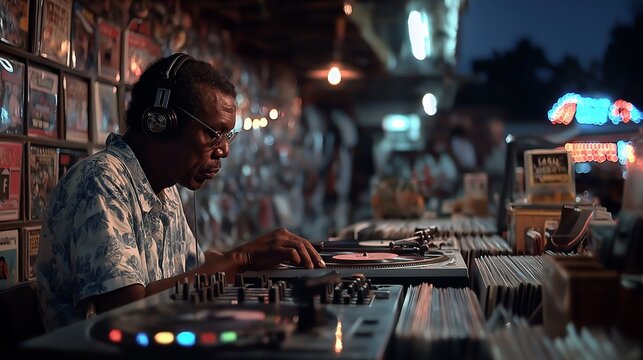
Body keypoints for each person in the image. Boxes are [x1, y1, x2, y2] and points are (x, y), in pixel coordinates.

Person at [36, 53, 325, 332]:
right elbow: (126, 312)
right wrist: (242, 258)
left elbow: (196, 270)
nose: (224, 150)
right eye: (213, 134)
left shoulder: (165, 190)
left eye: (227, 136)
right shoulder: (100, 179)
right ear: (160, 123)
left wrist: (264, 260)